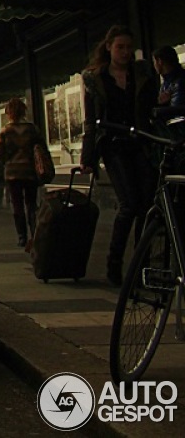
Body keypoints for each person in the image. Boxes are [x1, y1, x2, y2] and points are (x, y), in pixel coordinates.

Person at [80, 25, 158, 285]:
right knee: (129, 205)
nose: (125, 52)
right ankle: (114, 264)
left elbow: (152, 107)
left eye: (128, 47)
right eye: (119, 47)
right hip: (114, 145)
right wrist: (88, 157)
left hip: (142, 144)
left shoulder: (142, 75)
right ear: (109, 47)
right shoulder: (96, 79)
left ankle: (141, 266)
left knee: (147, 207)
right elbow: (91, 121)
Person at [0, 98, 46, 248]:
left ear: (9, 113)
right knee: (31, 203)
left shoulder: (5, 131)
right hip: (30, 172)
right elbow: (41, 148)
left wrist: (9, 162)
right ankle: (34, 232)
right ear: (24, 111)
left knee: (17, 205)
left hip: (12, 173)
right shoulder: (32, 129)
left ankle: (22, 236)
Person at [152, 45, 185, 113]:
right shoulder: (166, 83)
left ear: (159, 61)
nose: (154, 65)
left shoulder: (179, 83)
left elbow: (176, 113)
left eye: (154, 62)